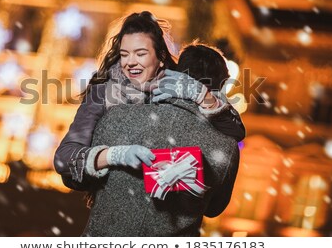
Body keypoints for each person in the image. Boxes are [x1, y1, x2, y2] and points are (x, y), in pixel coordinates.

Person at [53, 11, 244, 192]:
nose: (130, 62)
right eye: (125, 54)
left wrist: (202, 95)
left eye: (140, 53)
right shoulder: (104, 93)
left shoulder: (181, 83)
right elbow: (64, 159)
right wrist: (114, 155)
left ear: (160, 57)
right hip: (116, 200)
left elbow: (235, 130)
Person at [81, 43, 240, 236]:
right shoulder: (226, 146)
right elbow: (214, 208)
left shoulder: (119, 116)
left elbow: (79, 176)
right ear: (221, 87)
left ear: (176, 72)